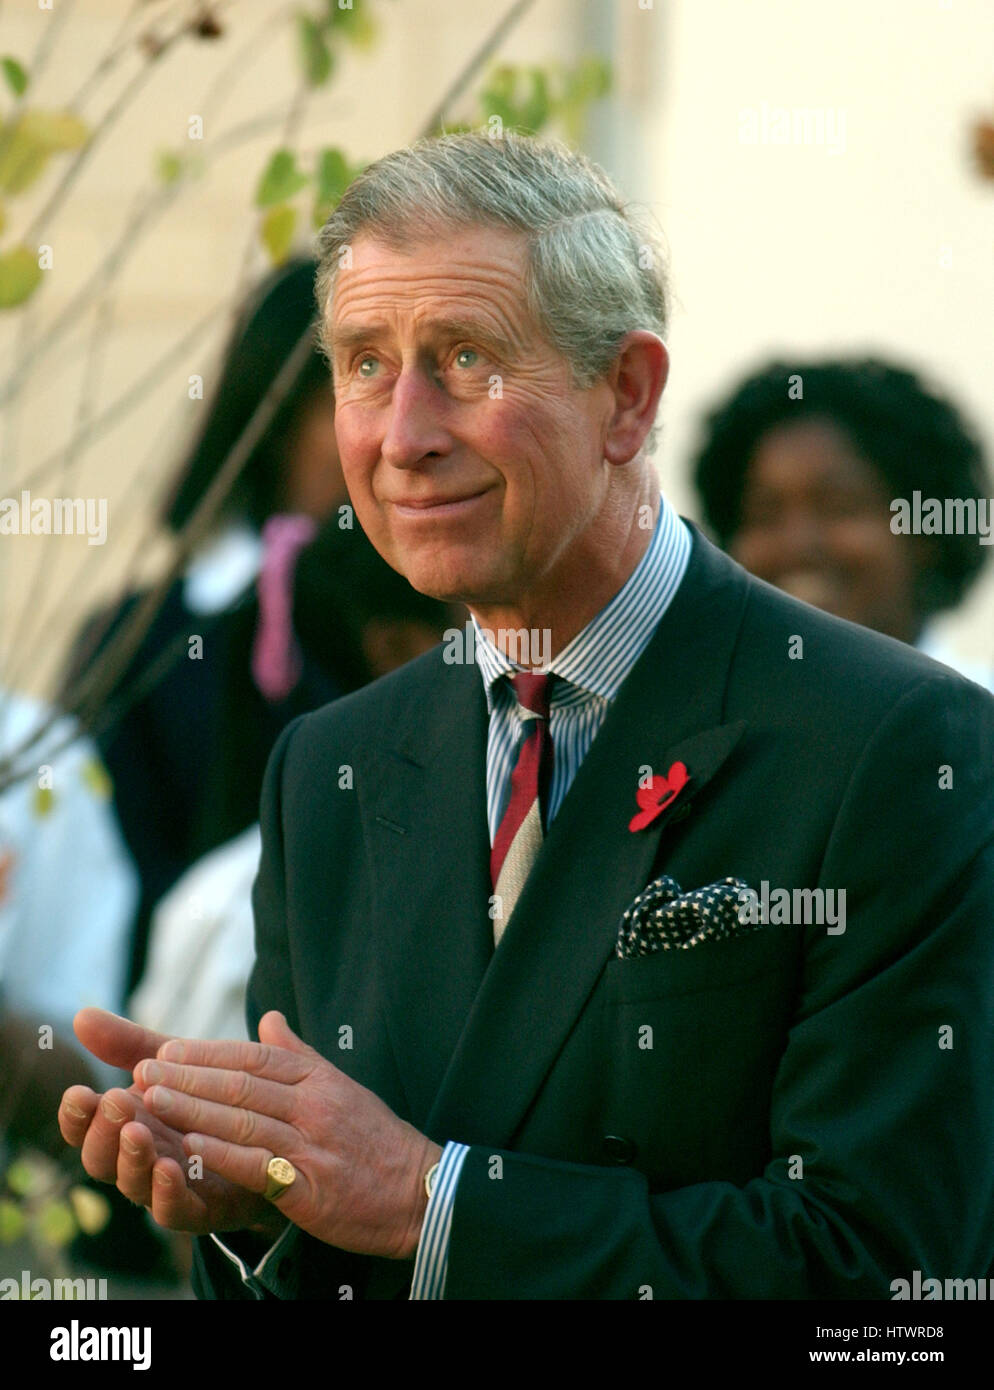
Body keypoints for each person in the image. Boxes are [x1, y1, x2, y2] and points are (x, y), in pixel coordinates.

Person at [59, 132, 994, 1300]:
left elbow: (886, 1276)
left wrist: (430, 1201)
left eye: (464, 358)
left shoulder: (897, 744)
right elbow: (338, 1228)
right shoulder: (331, 767)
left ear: (627, 395)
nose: (402, 435)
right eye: (362, 364)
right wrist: (257, 1211)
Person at [690, 357, 993, 687]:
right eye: (764, 515)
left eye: (840, 507)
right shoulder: (699, 728)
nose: (798, 545)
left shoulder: (979, 726)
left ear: (926, 534)